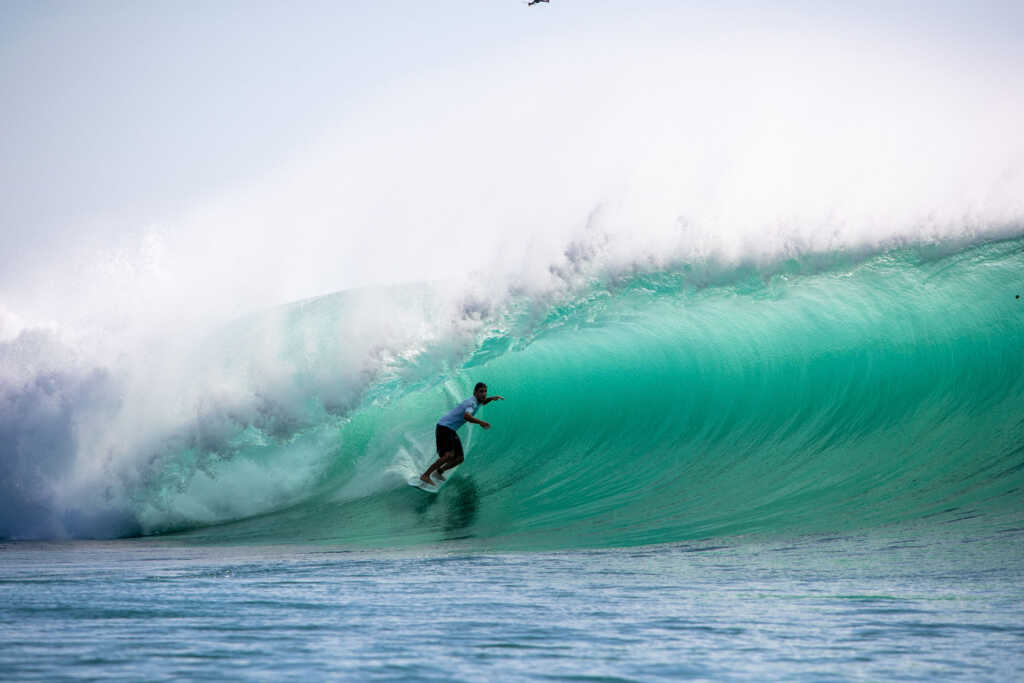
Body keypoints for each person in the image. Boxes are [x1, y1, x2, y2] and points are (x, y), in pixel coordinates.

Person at [420, 382, 504, 484]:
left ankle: (439, 472)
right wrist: (481, 422)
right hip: (444, 427)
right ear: (475, 392)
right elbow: (467, 416)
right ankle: (425, 475)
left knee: (459, 458)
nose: (484, 394)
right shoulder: (471, 403)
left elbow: (483, 402)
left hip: (450, 429)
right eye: (481, 391)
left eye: (485, 391)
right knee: (449, 455)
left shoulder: (477, 401)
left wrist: (491, 398)